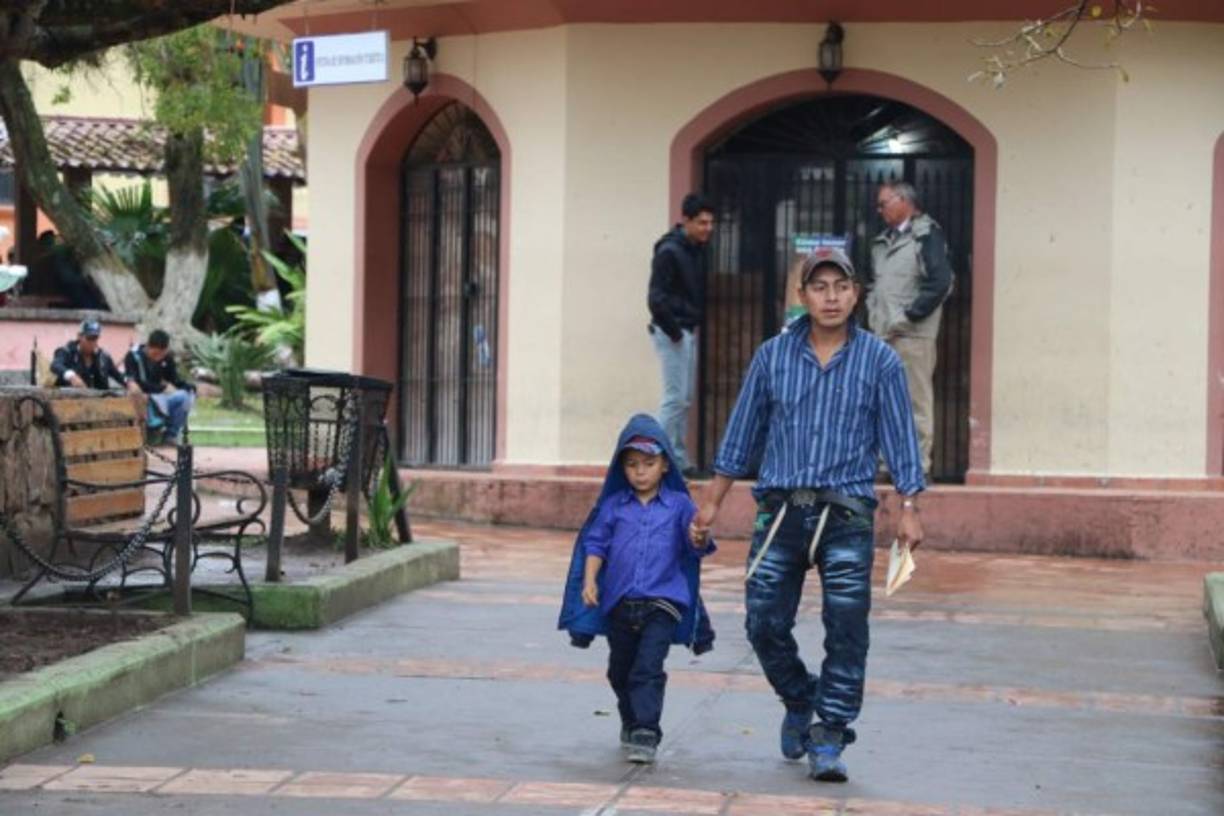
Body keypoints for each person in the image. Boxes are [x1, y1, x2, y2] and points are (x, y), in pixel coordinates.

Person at [691, 247, 925, 784]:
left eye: (840, 287)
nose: (831, 298)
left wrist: (910, 507)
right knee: (762, 622)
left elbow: (900, 439)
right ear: (803, 296)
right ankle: (801, 697)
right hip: (781, 513)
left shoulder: (880, 362)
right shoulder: (772, 357)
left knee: (847, 628)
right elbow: (742, 432)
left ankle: (830, 734)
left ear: (856, 295)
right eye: (819, 288)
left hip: (847, 516)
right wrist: (713, 500)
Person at [558, 413, 716, 765]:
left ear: (665, 465)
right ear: (621, 468)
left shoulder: (680, 506)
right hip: (620, 603)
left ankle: (646, 729)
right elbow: (595, 545)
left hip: (664, 603)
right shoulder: (613, 506)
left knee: (648, 667)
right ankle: (630, 720)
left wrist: (699, 536)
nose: (640, 472)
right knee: (620, 670)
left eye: (648, 463)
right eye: (631, 465)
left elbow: (695, 547)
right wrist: (589, 581)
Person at [866, 181, 954, 474]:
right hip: (883, 334)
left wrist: (909, 316)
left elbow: (941, 283)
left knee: (915, 403)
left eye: (884, 203)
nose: (879, 210)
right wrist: (873, 313)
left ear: (903, 200)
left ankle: (916, 467)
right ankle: (887, 464)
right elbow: (874, 284)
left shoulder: (927, 235)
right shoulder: (883, 241)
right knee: (884, 402)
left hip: (912, 336)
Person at [647, 193, 715, 479]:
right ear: (686, 221)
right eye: (702, 223)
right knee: (675, 399)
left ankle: (678, 460)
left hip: (684, 330)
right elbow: (655, 297)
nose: (708, 228)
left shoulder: (693, 250)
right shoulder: (669, 251)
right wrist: (674, 331)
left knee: (683, 399)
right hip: (673, 331)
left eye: (710, 223)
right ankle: (653, 458)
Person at [124, 329, 195, 445]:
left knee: (184, 397)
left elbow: (174, 379)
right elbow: (136, 382)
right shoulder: (133, 356)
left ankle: (171, 435)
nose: (158, 358)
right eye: (155, 354)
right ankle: (148, 433)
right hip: (142, 397)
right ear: (148, 346)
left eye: (162, 355)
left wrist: (188, 387)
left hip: (160, 397)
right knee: (139, 395)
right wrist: (162, 388)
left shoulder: (166, 357)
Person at [50, 318, 126, 390]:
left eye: (95, 339)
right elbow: (55, 365)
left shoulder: (103, 358)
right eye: (89, 338)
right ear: (79, 336)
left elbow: (118, 375)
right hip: (69, 398)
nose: (92, 343)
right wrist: (71, 376)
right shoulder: (67, 352)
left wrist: (130, 383)